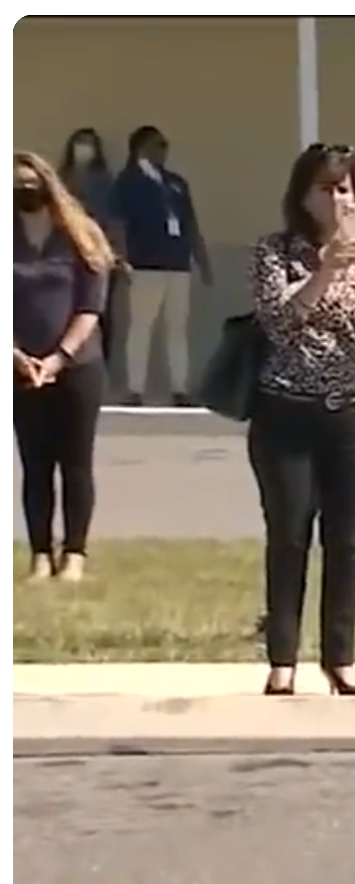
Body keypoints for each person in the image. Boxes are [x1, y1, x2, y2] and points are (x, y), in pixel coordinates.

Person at [245, 145, 355, 698]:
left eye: (347, 189)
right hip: (286, 411)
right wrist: (326, 269)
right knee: (290, 533)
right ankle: (283, 659)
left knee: (349, 537)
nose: (338, 199)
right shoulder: (277, 252)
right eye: (326, 187)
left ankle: (340, 656)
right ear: (303, 195)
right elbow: (279, 323)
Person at [14, 151, 114, 582]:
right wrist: (18, 358)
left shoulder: (79, 235)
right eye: (17, 186)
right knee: (35, 465)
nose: (24, 192)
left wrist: (58, 359)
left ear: (49, 184)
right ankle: (40, 553)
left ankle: (75, 554)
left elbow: (91, 307)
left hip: (78, 367)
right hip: (19, 369)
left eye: (31, 184)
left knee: (75, 463)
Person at [112, 125, 211, 406]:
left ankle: (180, 388)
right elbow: (118, 224)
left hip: (177, 264)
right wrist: (123, 258)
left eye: (165, 145)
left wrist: (202, 261)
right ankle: (135, 389)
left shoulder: (176, 182)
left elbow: (190, 224)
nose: (163, 151)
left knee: (177, 328)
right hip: (145, 265)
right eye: (158, 145)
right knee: (141, 327)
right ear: (141, 148)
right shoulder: (128, 182)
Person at [58, 129, 121, 366]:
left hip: (98, 252)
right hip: (66, 253)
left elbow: (113, 218)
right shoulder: (61, 178)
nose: (84, 149)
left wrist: (116, 250)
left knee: (100, 311)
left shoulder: (105, 180)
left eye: (89, 144)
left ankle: (100, 364)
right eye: (80, 143)